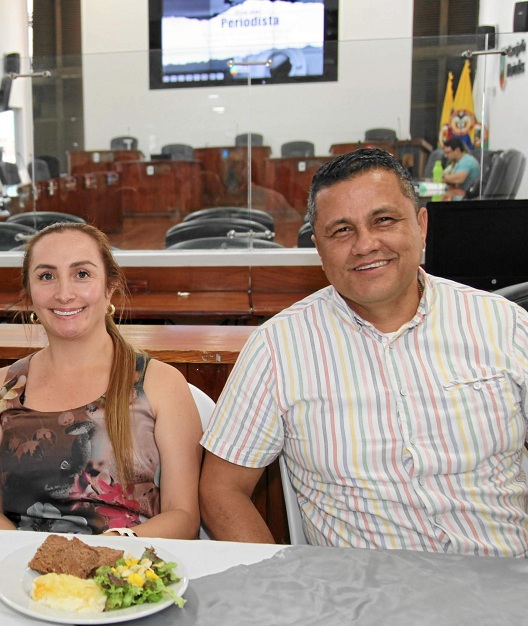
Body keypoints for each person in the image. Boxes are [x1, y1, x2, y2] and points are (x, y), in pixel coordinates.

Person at [199, 148, 528, 556]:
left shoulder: (505, 325)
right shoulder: (278, 347)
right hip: (360, 586)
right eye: (342, 230)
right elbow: (221, 489)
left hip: (503, 577)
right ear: (318, 248)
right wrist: (279, 578)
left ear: (421, 225)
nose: (365, 245)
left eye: (383, 220)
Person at [0, 223, 202, 538]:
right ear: (30, 292)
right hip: (19, 562)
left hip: (126, 562)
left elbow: (184, 516)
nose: (64, 294)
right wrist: (33, 557)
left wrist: (110, 550)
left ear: (109, 288)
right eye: (46, 276)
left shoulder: (162, 384)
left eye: (82, 274)